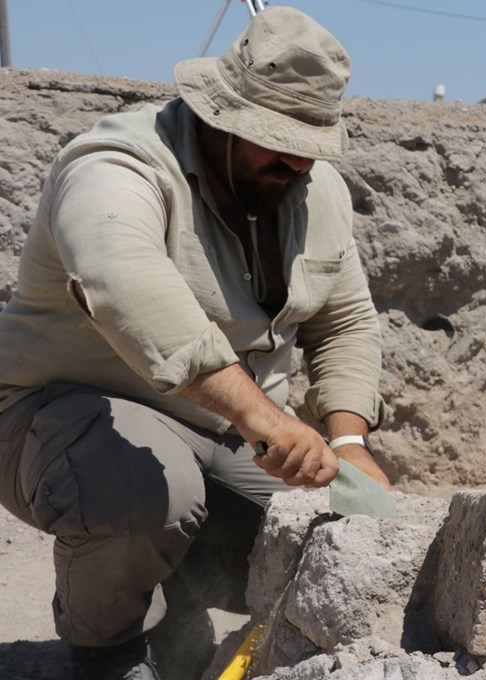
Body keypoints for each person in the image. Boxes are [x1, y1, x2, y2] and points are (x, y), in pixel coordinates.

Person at [0, 8, 392, 679]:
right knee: (147, 488)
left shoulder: (311, 187)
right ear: (222, 114)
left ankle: (177, 611)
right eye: (277, 139)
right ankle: (110, 653)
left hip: (217, 433)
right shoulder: (114, 164)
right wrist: (262, 415)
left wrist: (349, 442)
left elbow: (345, 320)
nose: (295, 159)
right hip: (54, 425)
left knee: (347, 526)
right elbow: (127, 288)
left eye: (309, 142)